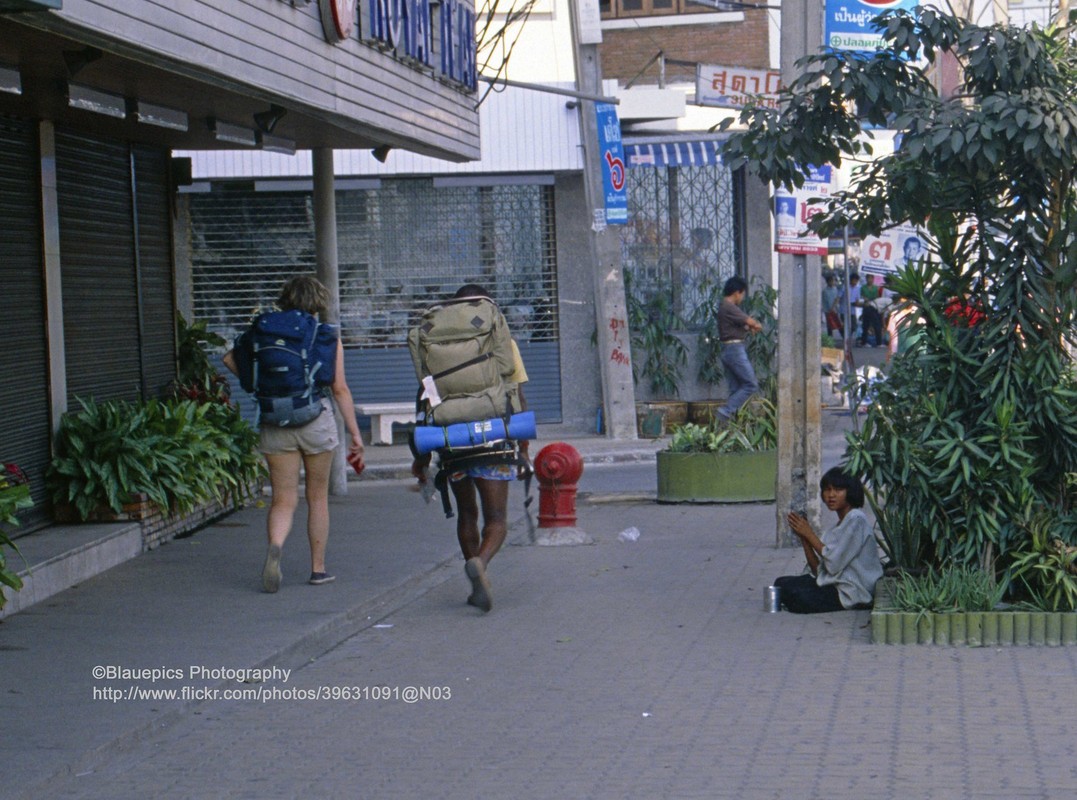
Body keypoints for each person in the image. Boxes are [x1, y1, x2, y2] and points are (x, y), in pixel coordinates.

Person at [223, 275, 364, 593]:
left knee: (283, 500)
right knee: (317, 498)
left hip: (274, 422)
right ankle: (318, 569)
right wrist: (356, 434)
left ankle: (276, 547)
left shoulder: (262, 329)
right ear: (319, 301)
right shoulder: (324, 335)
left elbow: (229, 359)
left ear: (285, 298)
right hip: (314, 420)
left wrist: (256, 386)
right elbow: (339, 389)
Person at [410, 284, 530, 613]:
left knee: (466, 514)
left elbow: (426, 403)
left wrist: (421, 458)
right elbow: (516, 394)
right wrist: (523, 449)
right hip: (493, 436)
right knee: (496, 520)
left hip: (453, 442)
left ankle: (475, 576)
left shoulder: (436, 344)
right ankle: (481, 564)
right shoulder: (502, 342)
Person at [775, 467, 883, 613]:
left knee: (799, 596)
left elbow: (833, 564)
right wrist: (804, 538)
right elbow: (818, 572)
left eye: (838, 490)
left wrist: (810, 534)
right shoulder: (836, 527)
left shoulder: (856, 519)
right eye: (827, 490)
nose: (831, 495)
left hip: (852, 592)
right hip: (834, 585)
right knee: (781, 583)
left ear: (849, 492)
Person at [715, 276, 763, 422]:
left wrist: (748, 327)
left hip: (729, 349)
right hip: (735, 350)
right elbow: (752, 322)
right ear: (737, 292)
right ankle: (726, 411)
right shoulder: (729, 306)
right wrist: (755, 325)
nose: (742, 298)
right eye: (742, 294)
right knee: (750, 384)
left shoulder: (725, 308)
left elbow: (743, 325)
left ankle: (731, 422)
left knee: (736, 388)